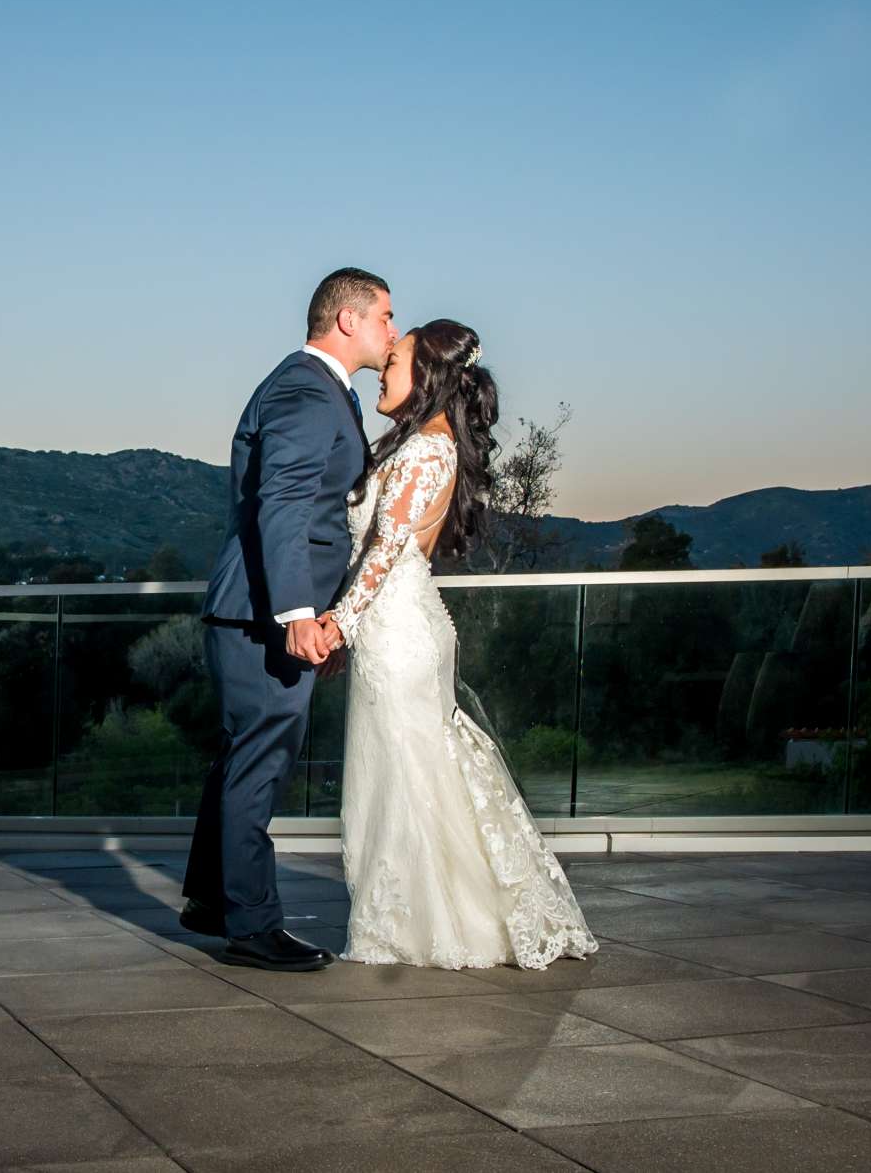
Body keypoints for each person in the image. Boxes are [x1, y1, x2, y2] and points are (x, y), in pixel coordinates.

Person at [325, 318, 597, 970]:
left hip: (398, 633)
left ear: (425, 376)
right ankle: (427, 914)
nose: (382, 368)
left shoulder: (425, 449)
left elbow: (385, 550)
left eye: (393, 361)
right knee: (411, 770)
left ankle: (430, 924)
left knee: (409, 774)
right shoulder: (423, 442)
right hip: (399, 625)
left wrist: (340, 623)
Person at [182, 268, 395, 972]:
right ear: (347, 321)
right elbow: (285, 504)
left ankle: (213, 899)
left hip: (252, 613)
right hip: (262, 617)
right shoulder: (307, 390)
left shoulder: (318, 389)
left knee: (242, 756)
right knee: (259, 763)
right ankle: (252, 927)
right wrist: (299, 614)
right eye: (385, 317)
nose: (391, 332)